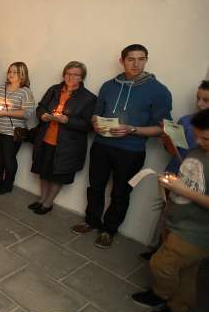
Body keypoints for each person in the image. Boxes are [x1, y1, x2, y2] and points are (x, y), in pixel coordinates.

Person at [71, 44, 172, 249]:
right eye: (131, 59)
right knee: (95, 186)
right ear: (122, 61)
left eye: (141, 59)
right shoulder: (109, 85)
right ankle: (91, 221)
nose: (136, 64)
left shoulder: (159, 91)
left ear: (146, 60)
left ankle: (109, 230)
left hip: (131, 151)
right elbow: (96, 114)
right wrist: (95, 123)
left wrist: (132, 129)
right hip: (101, 145)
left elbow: (162, 129)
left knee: (121, 192)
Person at [131, 108, 209, 312]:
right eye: (197, 136)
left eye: (206, 138)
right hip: (178, 218)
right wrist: (174, 181)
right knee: (186, 273)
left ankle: (161, 295)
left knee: (161, 264)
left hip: (196, 232)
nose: (200, 141)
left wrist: (184, 191)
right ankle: (178, 309)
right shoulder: (198, 151)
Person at [28, 62, 97, 214]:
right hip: (46, 139)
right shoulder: (54, 89)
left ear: (82, 78)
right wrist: (43, 116)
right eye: (68, 73)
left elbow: (89, 126)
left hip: (67, 146)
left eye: (75, 74)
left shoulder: (89, 98)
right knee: (43, 172)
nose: (71, 77)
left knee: (57, 176)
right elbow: (40, 107)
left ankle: (48, 203)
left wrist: (68, 121)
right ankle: (41, 199)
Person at [0, 62, 35, 194]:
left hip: (13, 132)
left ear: (22, 75)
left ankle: (8, 184)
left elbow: (27, 113)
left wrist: (5, 112)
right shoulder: (1, 88)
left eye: (15, 72)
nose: (11, 74)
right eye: (9, 71)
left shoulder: (25, 92)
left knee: (9, 159)